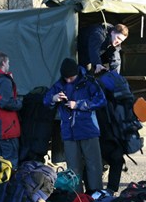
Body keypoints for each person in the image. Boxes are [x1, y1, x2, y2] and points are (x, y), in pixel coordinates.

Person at [43, 58, 107, 193]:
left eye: (71, 78)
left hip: (88, 130)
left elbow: (101, 100)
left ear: (77, 73)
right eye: (66, 78)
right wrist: (54, 98)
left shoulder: (89, 82)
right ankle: (76, 198)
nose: (68, 81)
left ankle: (96, 195)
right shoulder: (59, 84)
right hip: (69, 132)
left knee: (94, 166)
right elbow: (46, 100)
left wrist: (78, 104)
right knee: (73, 168)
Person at [95, 68, 133, 194]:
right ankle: (111, 190)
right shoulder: (119, 84)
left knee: (95, 160)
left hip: (105, 129)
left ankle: (94, 192)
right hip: (120, 128)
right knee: (116, 160)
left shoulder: (98, 85)